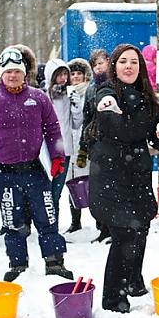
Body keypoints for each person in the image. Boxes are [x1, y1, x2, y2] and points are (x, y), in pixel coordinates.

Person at [0, 47, 73, 282]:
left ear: (24, 73)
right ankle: (17, 264)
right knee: (12, 221)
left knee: (47, 216)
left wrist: (57, 157)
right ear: (1, 75)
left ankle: (54, 260)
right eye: (8, 72)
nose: (13, 76)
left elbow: (53, 129)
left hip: (35, 169)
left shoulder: (37, 98)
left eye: (17, 71)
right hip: (5, 172)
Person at [88, 43, 159, 313]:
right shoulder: (107, 93)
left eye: (134, 62)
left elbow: (156, 139)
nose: (128, 66)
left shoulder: (147, 97)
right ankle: (113, 298)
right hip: (111, 177)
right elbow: (117, 130)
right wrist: (139, 128)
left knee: (140, 230)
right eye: (123, 61)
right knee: (125, 234)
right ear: (114, 66)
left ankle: (133, 282)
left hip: (137, 176)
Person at [76, 48, 112, 243]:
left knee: (115, 190)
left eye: (101, 63)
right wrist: (83, 147)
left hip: (115, 145)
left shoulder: (117, 83)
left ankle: (116, 228)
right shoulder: (91, 89)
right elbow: (86, 118)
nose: (99, 67)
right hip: (96, 145)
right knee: (100, 191)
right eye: (95, 64)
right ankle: (103, 228)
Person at [44, 59, 83, 222]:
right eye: (58, 75)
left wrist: (76, 106)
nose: (63, 78)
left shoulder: (69, 94)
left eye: (64, 74)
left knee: (56, 191)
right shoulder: (43, 95)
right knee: (46, 191)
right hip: (46, 151)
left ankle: (53, 226)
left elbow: (76, 123)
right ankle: (46, 224)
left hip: (65, 150)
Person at [64, 57, 92, 233]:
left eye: (78, 74)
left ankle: (99, 221)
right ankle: (75, 221)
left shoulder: (89, 92)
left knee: (91, 182)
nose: (75, 77)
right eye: (72, 73)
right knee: (71, 182)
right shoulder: (63, 93)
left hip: (84, 142)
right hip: (69, 143)